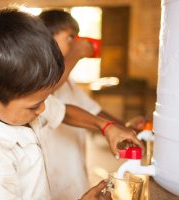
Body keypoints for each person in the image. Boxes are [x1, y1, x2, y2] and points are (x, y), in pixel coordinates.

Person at [0, 9, 140, 199]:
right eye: (35, 106)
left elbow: (63, 111)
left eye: (44, 101)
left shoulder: (15, 103)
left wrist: (106, 126)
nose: (43, 108)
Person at [38, 9, 147, 199]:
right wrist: (75, 55)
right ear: (47, 38)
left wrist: (123, 128)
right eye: (70, 37)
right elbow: (46, 90)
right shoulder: (37, 78)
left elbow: (94, 112)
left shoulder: (69, 83)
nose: (76, 42)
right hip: (51, 183)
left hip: (73, 177)